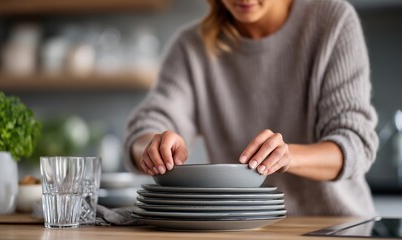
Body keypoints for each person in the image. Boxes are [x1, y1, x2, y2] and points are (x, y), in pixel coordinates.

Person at [124, 0, 378, 217]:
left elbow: (355, 143)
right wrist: (152, 147)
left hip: (334, 225)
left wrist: (288, 156)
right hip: (243, 228)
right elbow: (149, 125)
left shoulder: (331, 21)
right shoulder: (191, 46)